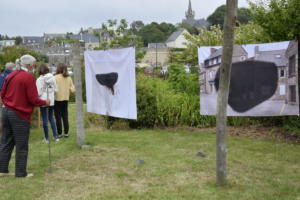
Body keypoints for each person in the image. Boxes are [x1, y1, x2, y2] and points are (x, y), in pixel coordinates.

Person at [0, 54, 50, 178]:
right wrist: (45, 102)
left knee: (6, 142)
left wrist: (8, 102)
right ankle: (21, 173)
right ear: (29, 65)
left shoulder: (11, 75)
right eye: (34, 65)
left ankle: (2, 170)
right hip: (19, 114)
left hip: (6, 111)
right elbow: (33, 99)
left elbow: (2, 93)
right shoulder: (28, 77)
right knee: (21, 145)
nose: (34, 67)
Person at [36, 64, 59, 143]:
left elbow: (38, 92)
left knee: (45, 120)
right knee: (51, 118)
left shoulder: (39, 80)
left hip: (43, 100)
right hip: (51, 100)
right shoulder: (53, 77)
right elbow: (56, 90)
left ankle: (46, 138)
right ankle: (56, 137)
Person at [54, 63, 75, 138]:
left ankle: (59, 133)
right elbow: (73, 89)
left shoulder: (55, 77)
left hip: (57, 99)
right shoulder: (69, 78)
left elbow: (53, 89)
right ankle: (66, 133)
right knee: (65, 116)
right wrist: (68, 90)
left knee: (58, 117)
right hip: (65, 99)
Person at [0, 63, 16, 138]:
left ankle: (3, 133)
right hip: (11, 99)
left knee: (2, 116)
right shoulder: (13, 76)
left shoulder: (1, 75)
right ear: (12, 68)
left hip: (2, 99)